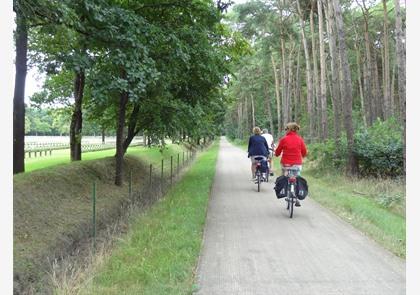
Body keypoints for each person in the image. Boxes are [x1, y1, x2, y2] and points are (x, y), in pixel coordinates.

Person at [274, 122, 307, 206]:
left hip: (286, 164)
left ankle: (284, 190)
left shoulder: (284, 139)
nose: (285, 131)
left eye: (286, 129)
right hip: (297, 163)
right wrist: (302, 156)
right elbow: (304, 151)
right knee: (296, 177)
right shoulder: (300, 139)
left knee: (284, 177)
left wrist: (277, 154)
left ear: (289, 129)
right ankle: (296, 197)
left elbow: (278, 151)